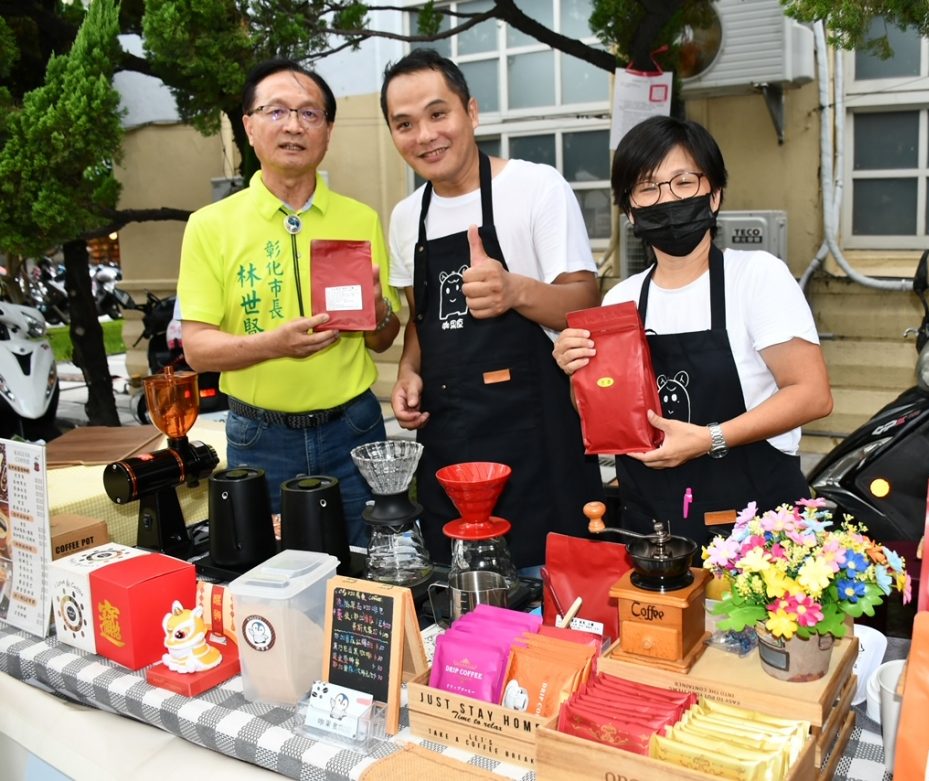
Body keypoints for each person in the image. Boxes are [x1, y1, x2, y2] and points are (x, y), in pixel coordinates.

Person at [553, 116, 833, 544]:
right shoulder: (620, 300)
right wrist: (578, 374)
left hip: (751, 534)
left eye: (683, 182)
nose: (667, 199)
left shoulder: (757, 276)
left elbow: (812, 393)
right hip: (652, 533)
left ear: (714, 195)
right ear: (630, 211)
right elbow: (601, 415)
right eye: (648, 188)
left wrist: (709, 439)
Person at [380, 49, 603, 570]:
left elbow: (585, 304)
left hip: (535, 438)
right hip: (450, 442)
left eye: (439, 114)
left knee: (545, 599)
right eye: (405, 124)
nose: (425, 135)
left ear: (471, 113)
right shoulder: (406, 217)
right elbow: (423, 321)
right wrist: (409, 371)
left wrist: (515, 291)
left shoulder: (535, 187)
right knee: (459, 600)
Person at [178, 58, 401, 546]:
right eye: (276, 111)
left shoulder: (359, 217)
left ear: (328, 131)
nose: (294, 126)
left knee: (370, 564)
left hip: (354, 428)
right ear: (249, 127)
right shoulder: (210, 225)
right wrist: (274, 344)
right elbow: (196, 350)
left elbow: (383, 338)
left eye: (310, 114)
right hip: (261, 437)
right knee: (273, 580)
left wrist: (381, 311)